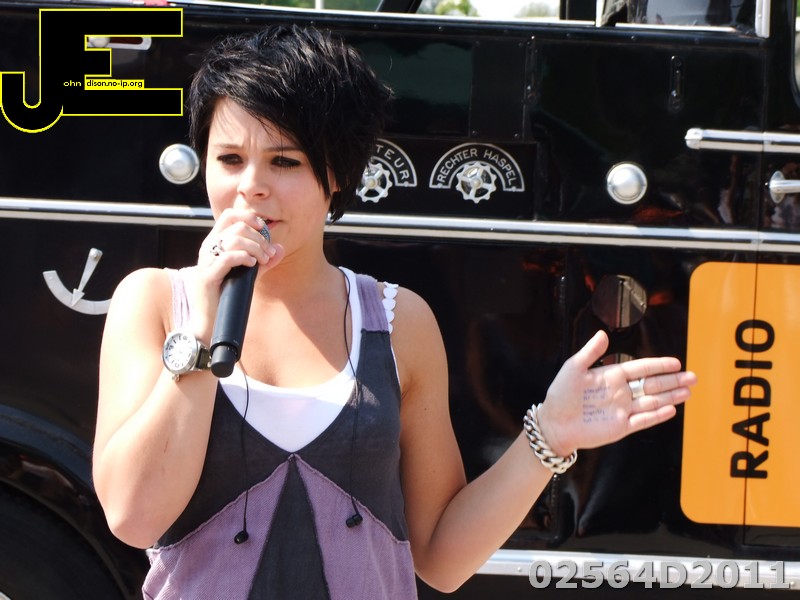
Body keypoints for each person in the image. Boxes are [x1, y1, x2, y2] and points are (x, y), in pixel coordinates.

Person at [92, 24, 697, 599]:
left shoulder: (396, 320)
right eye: (229, 159)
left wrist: (548, 437)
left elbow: (442, 558)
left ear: (336, 174)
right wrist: (199, 334)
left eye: (285, 161)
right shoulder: (154, 302)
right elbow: (133, 517)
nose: (250, 186)